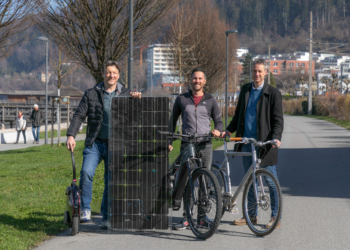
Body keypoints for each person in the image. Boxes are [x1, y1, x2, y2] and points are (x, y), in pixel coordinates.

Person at [66, 61, 141, 229]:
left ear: (118, 75)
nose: (111, 75)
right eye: (108, 72)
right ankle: (85, 209)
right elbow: (79, 115)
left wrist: (137, 101)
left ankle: (107, 216)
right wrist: (71, 135)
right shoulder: (92, 93)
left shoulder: (126, 94)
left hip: (116, 144)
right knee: (86, 172)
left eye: (114, 72)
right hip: (95, 142)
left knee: (111, 180)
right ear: (103, 74)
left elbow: (135, 118)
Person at [219, 58, 283, 229]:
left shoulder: (273, 93)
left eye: (260, 71)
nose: (257, 74)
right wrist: (228, 130)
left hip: (265, 146)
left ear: (265, 73)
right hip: (246, 142)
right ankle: (251, 216)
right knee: (250, 181)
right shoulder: (246, 90)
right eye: (254, 71)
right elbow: (238, 115)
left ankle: (275, 217)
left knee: (270, 182)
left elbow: (278, 120)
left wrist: (276, 138)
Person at [168, 68, 223, 230]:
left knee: (205, 180)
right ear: (190, 80)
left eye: (200, 78)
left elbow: (218, 121)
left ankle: (201, 217)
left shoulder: (211, 100)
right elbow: (172, 122)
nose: (197, 81)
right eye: (194, 78)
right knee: (187, 180)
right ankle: (186, 217)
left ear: (204, 81)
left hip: (205, 144)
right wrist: (170, 141)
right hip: (188, 144)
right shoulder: (182, 99)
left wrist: (218, 130)